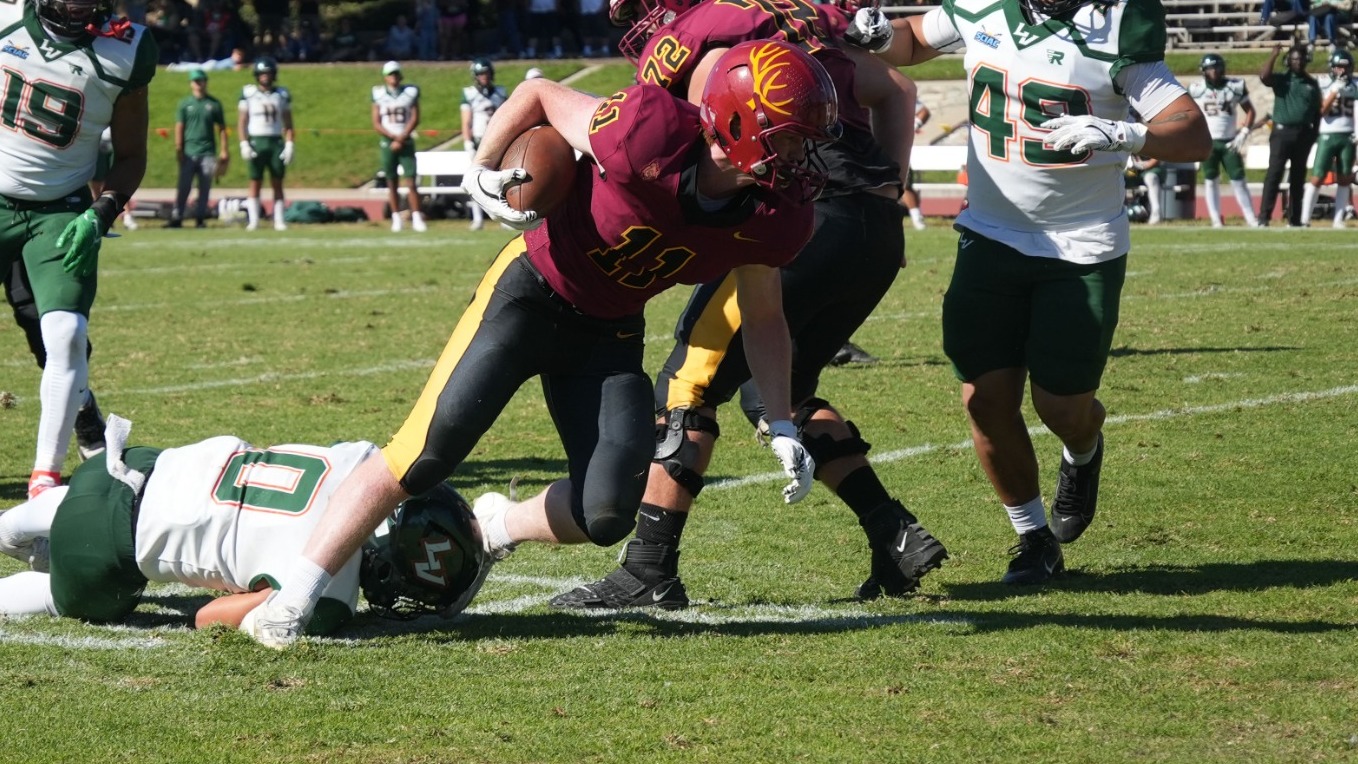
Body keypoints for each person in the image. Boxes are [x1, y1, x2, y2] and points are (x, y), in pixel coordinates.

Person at [240, 39, 838, 647]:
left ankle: (496, 525)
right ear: (736, 124)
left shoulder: (773, 214)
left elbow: (764, 315)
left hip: (608, 336)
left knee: (606, 512)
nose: (804, 155)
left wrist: (780, 422)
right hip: (529, 294)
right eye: (792, 137)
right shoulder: (648, 130)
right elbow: (539, 95)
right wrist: (482, 167)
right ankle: (292, 599)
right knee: (422, 454)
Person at [545, 0, 945, 611]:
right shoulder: (796, 24)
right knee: (780, 390)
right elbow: (897, 88)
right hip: (871, 229)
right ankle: (895, 534)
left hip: (803, 219)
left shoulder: (712, 38)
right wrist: (890, 188)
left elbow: (704, 151)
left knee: (688, 385)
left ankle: (649, 567)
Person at [846, 0, 1210, 583]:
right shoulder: (981, 6)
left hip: (1081, 245)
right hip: (990, 235)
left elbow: (1193, 135)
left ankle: (1083, 450)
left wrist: (1125, 133)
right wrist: (883, 33)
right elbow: (913, 41)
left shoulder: (1117, 24)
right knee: (984, 400)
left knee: (1062, 408)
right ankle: (1034, 539)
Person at [0, 417, 489, 633]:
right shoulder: (330, 597)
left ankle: (14, 528)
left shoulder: (362, 461)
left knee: (33, 524)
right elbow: (206, 617)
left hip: (131, 463)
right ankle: (49, 567)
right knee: (64, 596)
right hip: (108, 549)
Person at [0, 0, 156, 499]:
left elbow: (131, 154)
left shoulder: (127, 50)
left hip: (58, 209)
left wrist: (100, 212)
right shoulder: (6, 18)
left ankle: (45, 480)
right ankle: (85, 418)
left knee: (64, 333)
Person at [1189, 54, 1261, 228]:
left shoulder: (1234, 86)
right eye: (1210, 69)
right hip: (1208, 142)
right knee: (1210, 179)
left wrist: (1244, 133)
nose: (1213, 72)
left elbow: (1250, 111)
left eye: (1216, 68)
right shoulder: (1196, 89)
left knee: (1238, 178)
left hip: (1229, 141)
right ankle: (1215, 219)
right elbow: (1188, 114)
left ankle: (1251, 218)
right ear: (1203, 70)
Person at [1258, 44, 1322, 227]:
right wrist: (1273, 55)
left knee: (1298, 177)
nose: (1298, 62)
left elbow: (1317, 112)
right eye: (1294, 59)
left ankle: (1294, 219)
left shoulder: (1311, 83)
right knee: (1274, 174)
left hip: (1303, 133)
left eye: (1301, 59)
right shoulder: (1282, 80)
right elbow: (1264, 76)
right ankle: (1264, 217)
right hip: (1282, 133)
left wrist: (1314, 135)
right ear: (1288, 61)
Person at [1300, 49, 1358, 227]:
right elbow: (1321, 112)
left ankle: (1338, 220)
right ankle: (1304, 219)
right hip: (1327, 134)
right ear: (1332, 67)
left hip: (1349, 136)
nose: (1343, 71)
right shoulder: (1323, 83)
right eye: (1339, 67)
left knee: (1344, 178)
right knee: (1317, 176)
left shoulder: (1355, 84)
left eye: (1346, 67)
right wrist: (1334, 91)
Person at [237, 56, 295, 231]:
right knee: (255, 181)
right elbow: (242, 122)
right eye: (262, 73)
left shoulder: (281, 94)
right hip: (256, 140)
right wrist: (244, 143)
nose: (265, 76)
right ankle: (254, 221)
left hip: (275, 141)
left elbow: (288, 123)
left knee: (277, 182)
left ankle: (279, 220)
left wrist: (290, 144)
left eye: (268, 73)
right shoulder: (249, 93)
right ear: (256, 75)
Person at [169, 69, 229, 229]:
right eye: (195, 81)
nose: (198, 84)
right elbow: (179, 127)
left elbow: (222, 128)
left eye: (201, 80)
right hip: (189, 151)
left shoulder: (214, 104)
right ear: (191, 84)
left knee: (204, 187)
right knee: (184, 186)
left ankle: (200, 217)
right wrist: (179, 147)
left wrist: (224, 149)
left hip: (207, 151)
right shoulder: (185, 104)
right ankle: (177, 216)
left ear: (205, 82)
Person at [373, 61, 428, 233]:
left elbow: (415, 117)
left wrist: (402, 137)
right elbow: (376, 122)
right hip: (388, 142)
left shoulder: (409, 92)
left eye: (396, 74)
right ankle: (396, 217)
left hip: (406, 140)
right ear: (385, 77)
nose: (394, 77)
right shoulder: (379, 94)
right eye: (391, 74)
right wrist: (393, 138)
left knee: (411, 181)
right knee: (391, 182)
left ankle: (416, 216)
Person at [460, 58, 507, 231]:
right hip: (479, 141)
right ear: (475, 76)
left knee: (501, 180)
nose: (484, 77)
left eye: (486, 73)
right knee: (475, 180)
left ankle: (504, 217)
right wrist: (467, 142)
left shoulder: (500, 92)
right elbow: (466, 121)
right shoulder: (469, 93)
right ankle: (477, 218)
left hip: (498, 140)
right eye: (480, 74)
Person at [900, 98, 931, 231]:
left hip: (894, 145)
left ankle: (917, 219)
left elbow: (924, 111)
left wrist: (912, 127)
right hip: (870, 143)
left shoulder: (897, 90)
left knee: (904, 184)